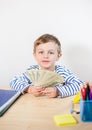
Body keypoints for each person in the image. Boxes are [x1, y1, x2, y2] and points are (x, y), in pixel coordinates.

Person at [10, 34, 83, 98]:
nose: (45, 56)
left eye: (51, 52)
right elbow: (14, 82)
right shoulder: (32, 72)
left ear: (58, 56)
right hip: (34, 106)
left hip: (56, 107)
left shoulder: (62, 72)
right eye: (41, 52)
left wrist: (58, 91)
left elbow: (80, 85)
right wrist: (29, 88)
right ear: (35, 55)